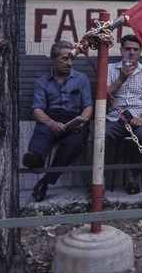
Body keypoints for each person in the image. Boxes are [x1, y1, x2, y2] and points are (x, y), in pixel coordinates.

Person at [22, 41, 93, 202]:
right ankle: (35, 159)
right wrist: (52, 124)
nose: (69, 63)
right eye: (64, 59)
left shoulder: (81, 79)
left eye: (71, 59)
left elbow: (88, 106)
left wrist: (82, 121)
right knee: (42, 131)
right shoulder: (42, 82)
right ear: (53, 59)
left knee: (73, 144)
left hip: (74, 120)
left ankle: (45, 182)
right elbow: (37, 110)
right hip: (51, 119)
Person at [105, 34, 142, 195]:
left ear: (140, 52)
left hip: (139, 117)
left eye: (135, 49)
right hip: (116, 117)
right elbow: (103, 96)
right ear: (121, 51)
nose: (131, 52)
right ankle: (100, 179)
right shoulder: (109, 69)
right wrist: (121, 78)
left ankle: (132, 178)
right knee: (103, 136)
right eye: (127, 49)